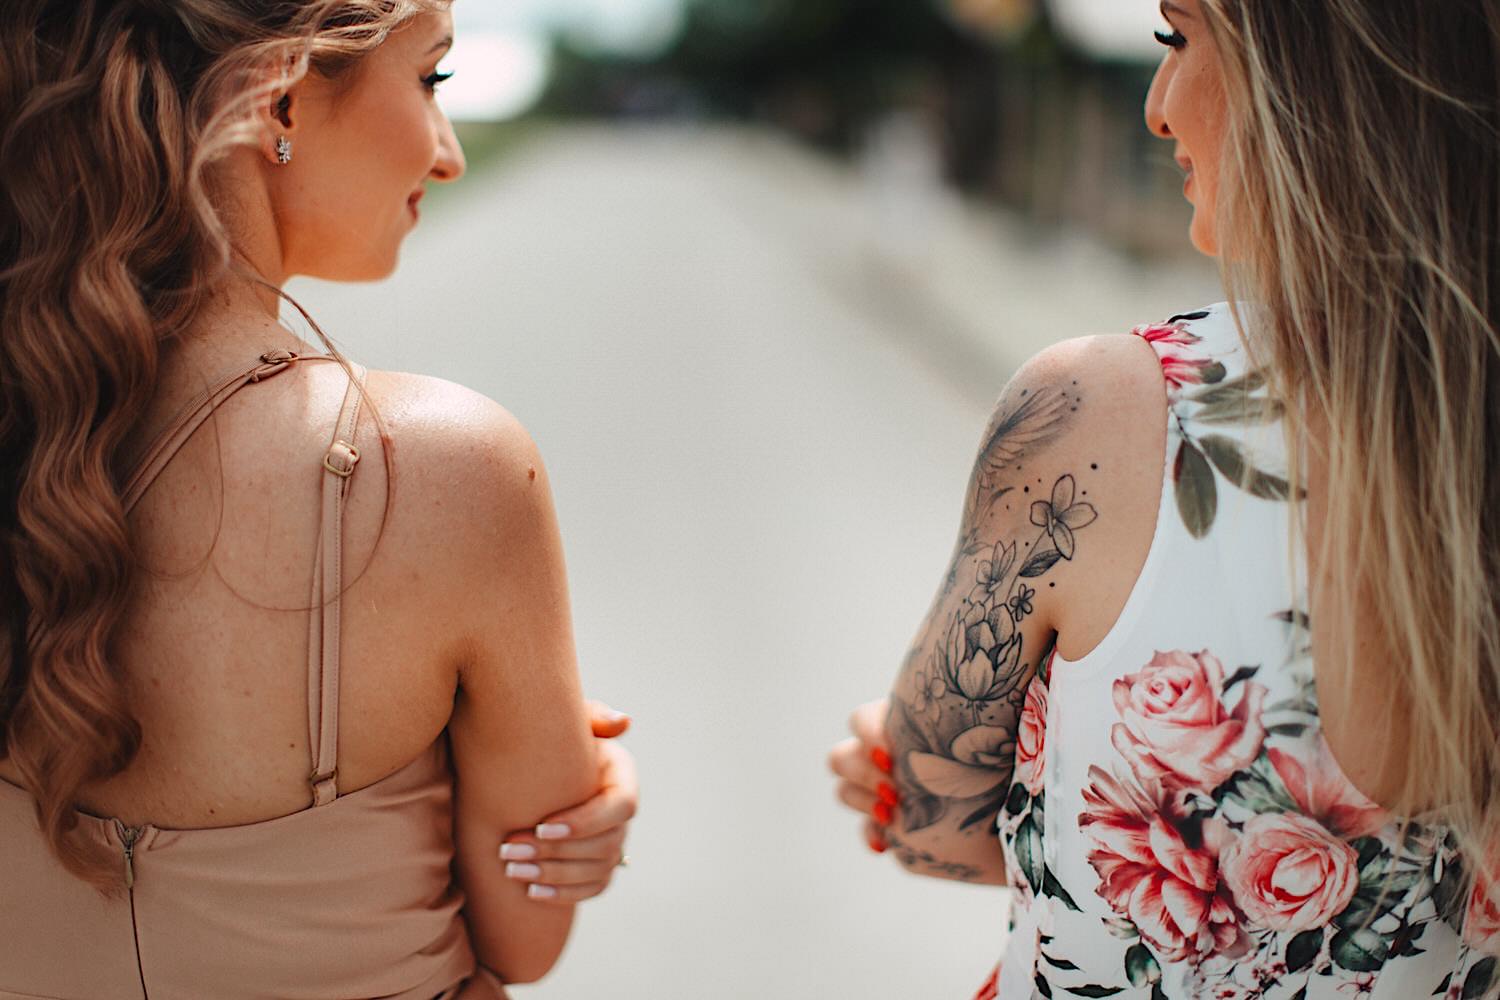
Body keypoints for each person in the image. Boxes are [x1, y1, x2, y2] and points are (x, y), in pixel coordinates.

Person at [830, 1, 1500, 997]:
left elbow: (931, 824)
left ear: (1305, 73)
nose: (1156, 105)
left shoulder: (1100, 417)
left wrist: (964, 771)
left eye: (1176, 39)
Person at [0, 1, 636, 996]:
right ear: (282, 98)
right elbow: (524, 937)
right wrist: (575, 793)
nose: (448, 155)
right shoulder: (444, 471)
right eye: (431, 79)